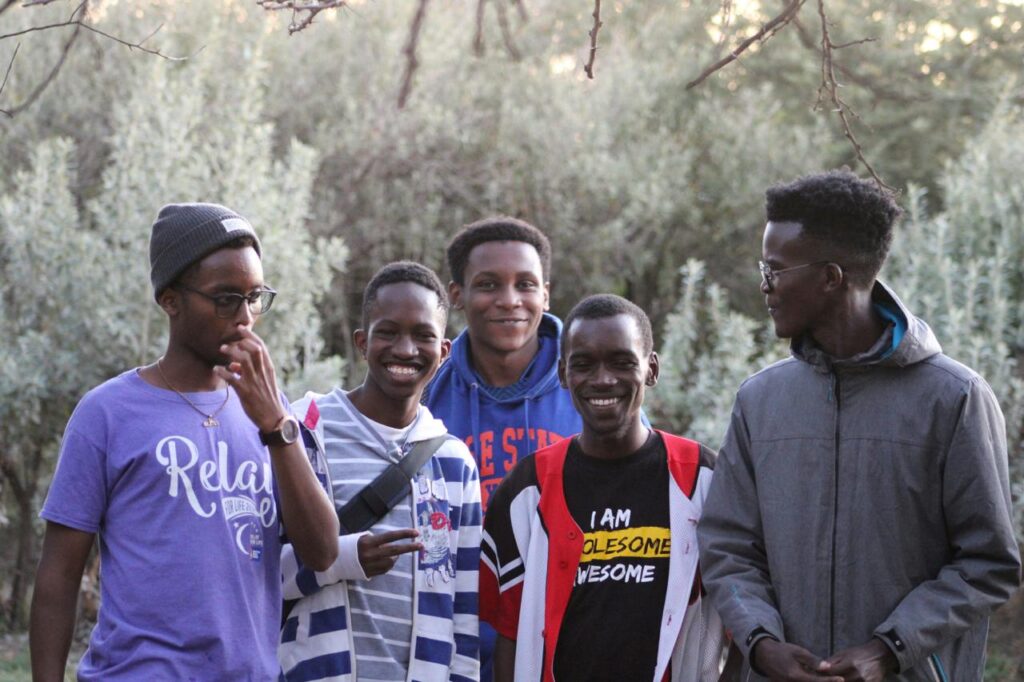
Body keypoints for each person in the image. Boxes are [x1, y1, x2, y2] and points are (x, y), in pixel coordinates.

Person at [697, 170, 1022, 682]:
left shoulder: (956, 398)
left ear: (831, 277)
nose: (764, 285)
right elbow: (728, 547)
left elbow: (988, 563)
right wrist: (761, 643)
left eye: (774, 269)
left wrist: (889, 649)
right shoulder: (759, 400)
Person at [30, 203, 340, 680]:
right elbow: (58, 577)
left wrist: (277, 425)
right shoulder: (107, 413)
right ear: (170, 300)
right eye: (226, 299)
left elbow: (321, 552)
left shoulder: (270, 409)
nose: (245, 317)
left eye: (255, 297)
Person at [480, 294, 732, 682]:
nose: (602, 379)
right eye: (584, 364)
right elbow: (509, 634)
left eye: (622, 362)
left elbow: (741, 608)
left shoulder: (702, 478)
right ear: (563, 373)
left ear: (651, 369)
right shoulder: (527, 489)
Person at [279, 262, 481, 682]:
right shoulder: (305, 434)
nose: (405, 350)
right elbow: (257, 578)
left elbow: (463, 611)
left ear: (444, 351)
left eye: (423, 335)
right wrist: (345, 557)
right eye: (388, 332)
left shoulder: (454, 462)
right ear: (362, 342)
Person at [424, 217, 583, 680]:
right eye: (488, 284)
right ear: (457, 295)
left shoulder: (589, 384)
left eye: (526, 284)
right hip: (456, 645)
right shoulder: (427, 392)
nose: (510, 300)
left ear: (546, 295)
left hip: (567, 639)